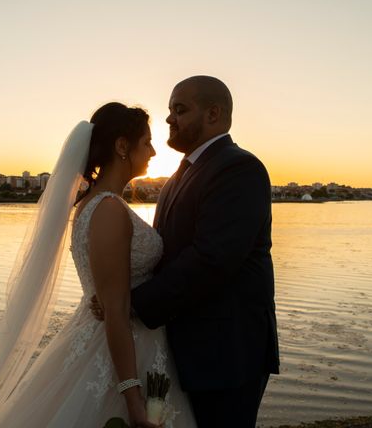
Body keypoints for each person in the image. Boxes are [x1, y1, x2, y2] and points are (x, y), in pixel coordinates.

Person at [0, 102, 197, 427]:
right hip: (116, 347)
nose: (154, 151)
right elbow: (114, 309)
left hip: (131, 338)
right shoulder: (107, 210)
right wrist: (132, 396)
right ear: (121, 146)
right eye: (146, 142)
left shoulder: (97, 204)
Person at [92, 76, 279, 427]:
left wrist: (130, 303)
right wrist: (111, 293)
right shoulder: (179, 177)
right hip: (182, 348)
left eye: (180, 109)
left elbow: (212, 259)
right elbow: (165, 255)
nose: (169, 119)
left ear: (213, 114)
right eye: (170, 110)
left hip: (227, 351)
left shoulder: (239, 168)